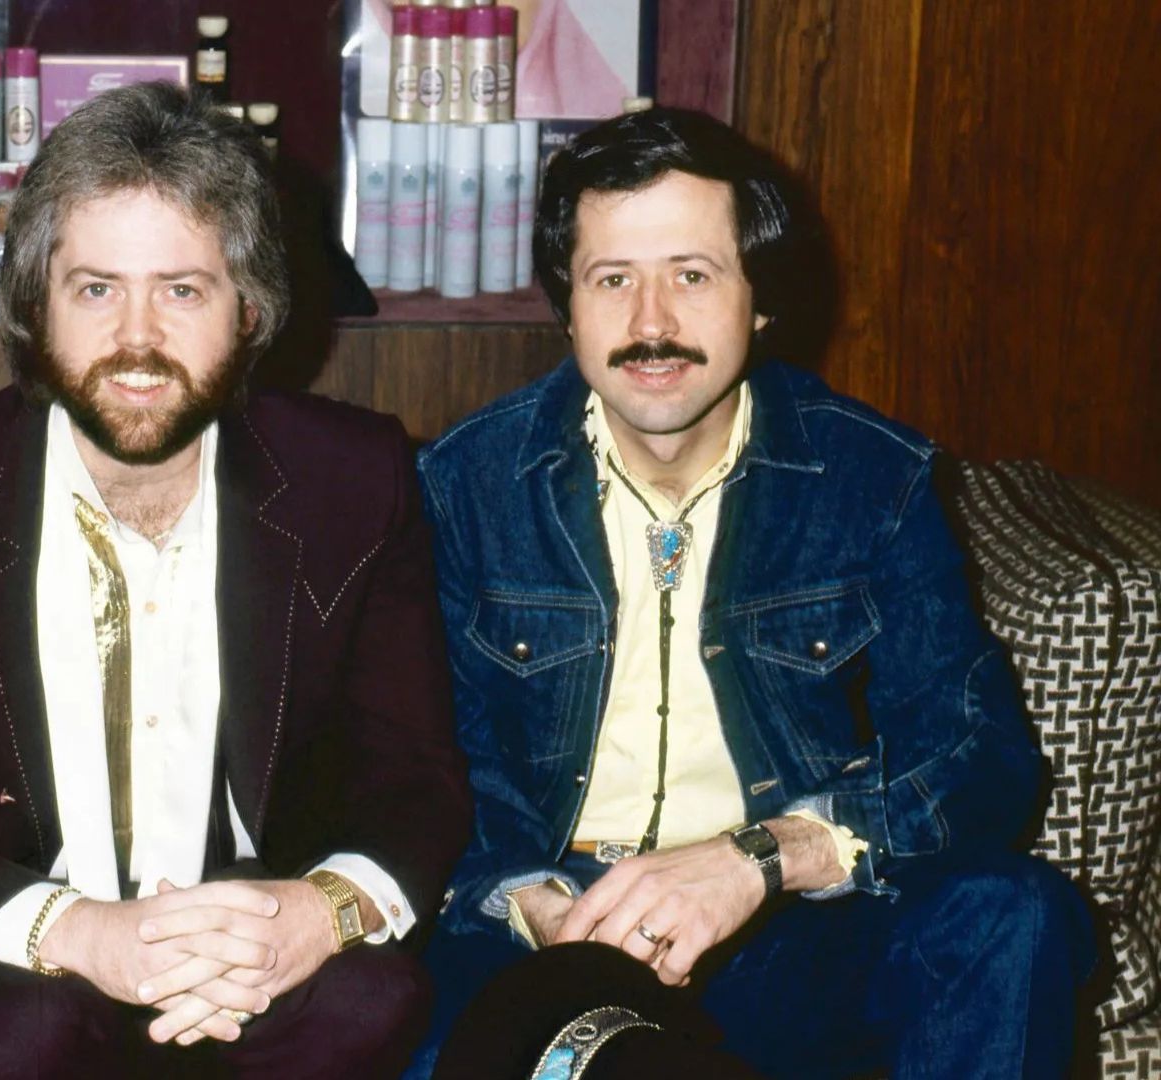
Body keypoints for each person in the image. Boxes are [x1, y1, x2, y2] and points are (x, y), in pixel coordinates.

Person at [0, 81, 471, 1078]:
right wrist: (78, 934)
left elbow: (416, 784)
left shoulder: (357, 482)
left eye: (183, 289)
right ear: (36, 302)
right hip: (30, 949)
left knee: (371, 997)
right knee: (13, 1039)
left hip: (261, 949)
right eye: (97, 288)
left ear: (249, 309)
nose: (139, 338)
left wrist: (315, 915)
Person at [414, 106, 1095, 1078]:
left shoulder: (874, 477)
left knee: (1013, 910)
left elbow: (978, 758)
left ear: (760, 300)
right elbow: (436, 766)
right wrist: (534, 903)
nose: (652, 324)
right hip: (549, 932)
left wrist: (765, 858)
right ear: (568, 306)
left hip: (781, 925)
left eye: (692, 276)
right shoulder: (464, 484)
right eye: (614, 280)